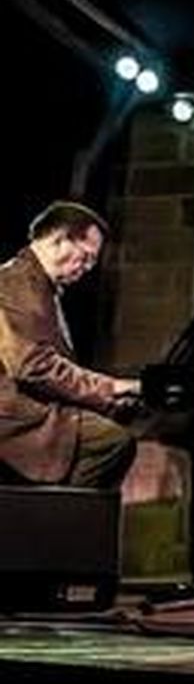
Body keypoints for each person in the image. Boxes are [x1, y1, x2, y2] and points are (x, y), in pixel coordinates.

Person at [0, 201, 141, 488]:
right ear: (59, 239)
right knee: (111, 442)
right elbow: (33, 366)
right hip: (14, 418)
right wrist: (110, 387)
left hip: (26, 407)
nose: (88, 268)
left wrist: (108, 400)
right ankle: (50, 526)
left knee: (117, 421)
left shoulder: (39, 286)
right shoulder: (16, 282)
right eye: (86, 257)